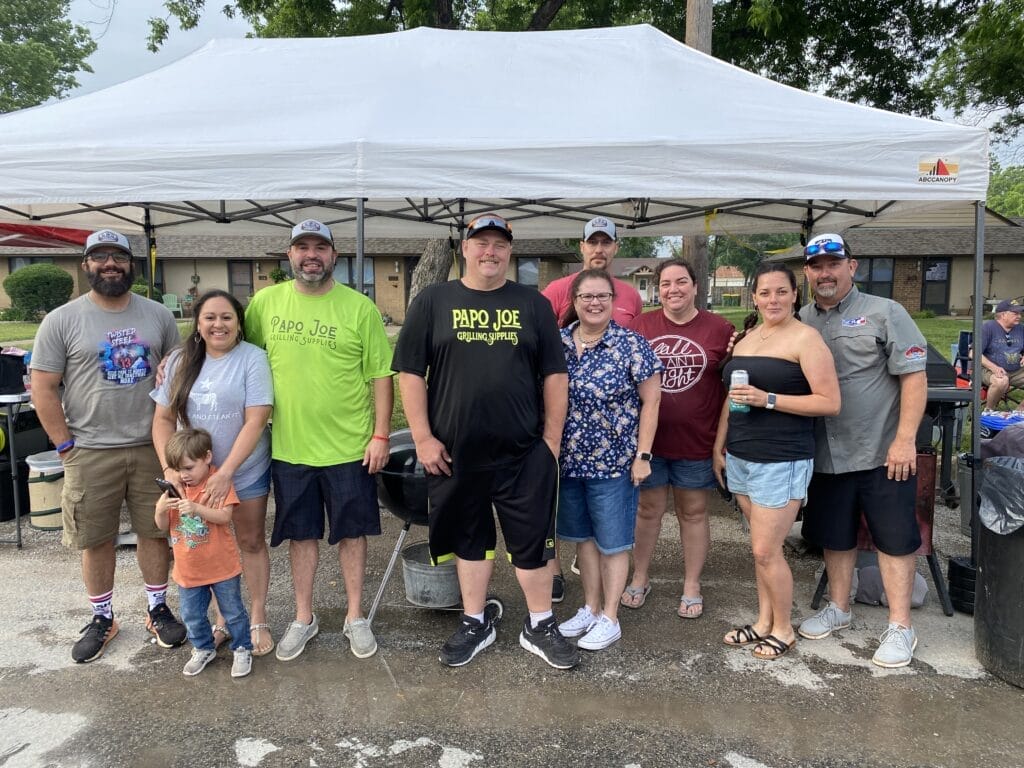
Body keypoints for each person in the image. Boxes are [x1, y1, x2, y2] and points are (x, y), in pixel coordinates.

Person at [393, 213, 579, 670]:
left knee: (532, 544)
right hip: (454, 455)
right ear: (465, 249)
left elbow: (555, 375)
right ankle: (476, 622)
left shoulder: (532, 303)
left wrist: (550, 441)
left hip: (523, 453)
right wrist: (423, 438)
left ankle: (540, 624)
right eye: (481, 243)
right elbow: (411, 373)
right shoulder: (434, 301)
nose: (490, 252)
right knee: (469, 542)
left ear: (509, 252)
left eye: (499, 244)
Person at [31, 228, 187, 663]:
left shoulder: (157, 316)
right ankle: (102, 617)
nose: (110, 264)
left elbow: (177, 376)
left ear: (131, 264)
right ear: (86, 265)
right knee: (94, 537)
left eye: (118, 256)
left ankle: (157, 609)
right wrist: (64, 445)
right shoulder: (62, 319)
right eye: (100, 257)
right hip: (89, 449)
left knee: (155, 533)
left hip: (150, 445)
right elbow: (43, 387)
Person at [245, 219, 393, 661]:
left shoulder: (359, 308)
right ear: (289, 255)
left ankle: (355, 616)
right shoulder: (264, 304)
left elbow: (381, 376)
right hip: (290, 446)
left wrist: (381, 434)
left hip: (350, 446)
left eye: (320, 247)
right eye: (302, 247)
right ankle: (303, 618)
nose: (311, 255)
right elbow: (238, 355)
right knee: (301, 535)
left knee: (352, 534)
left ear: (334, 255)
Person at [797, 232, 929, 668]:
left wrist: (905, 439)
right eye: (816, 266)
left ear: (851, 267)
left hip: (882, 451)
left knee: (894, 539)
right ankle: (839, 607)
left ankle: (900, 626)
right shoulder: (801, 319)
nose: (825, 272)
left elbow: (913, 376)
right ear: (808, 272)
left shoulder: (885, 311)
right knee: (835, 535)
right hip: (826, 452)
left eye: (833, 263)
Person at [714, 263, 841, 660]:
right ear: (754, 297)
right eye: (765, 293)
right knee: (759, 548)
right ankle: (763, 621)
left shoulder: (806, 339)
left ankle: (784, 630)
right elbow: (731, 399)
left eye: (781, 292)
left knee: (767, 550)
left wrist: (769, 399)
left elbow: (829, 402)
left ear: (794, 295)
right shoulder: (748, 338)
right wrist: (719, 446)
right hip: (741, 455)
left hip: (782, 459)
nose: (773, 300)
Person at [151, 289, 274, 656]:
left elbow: (257, 419)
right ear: (198, 323)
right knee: (208, 545)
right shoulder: (180, 362)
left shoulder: (252, 359)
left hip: (244, 470)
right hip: (194, 478)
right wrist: (170, 469)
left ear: (239, 323)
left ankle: (256, 617)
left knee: (250, 541)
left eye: (226, 317)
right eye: (210, 317)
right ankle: (224, 621)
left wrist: (227, 472)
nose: (218, 324)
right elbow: (162, 419)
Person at [621, 257, 734, 618]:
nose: (674, 290)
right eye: (666, 283)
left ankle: (691, 584)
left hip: (698, 439)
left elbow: (731, 386)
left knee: (694, 512)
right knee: (648, 510)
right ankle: (639, 576)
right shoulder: (640, 326)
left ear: (696, 286)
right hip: (649, 444)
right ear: (658, 289)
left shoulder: (720, 329)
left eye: (681, 282)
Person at [555, 269, 661, 650]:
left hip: (614, 463)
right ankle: (590, 607)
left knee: (613, 542)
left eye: (602, 296)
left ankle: (610, 617)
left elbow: (652, 401)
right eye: (586, 297)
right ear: (575, 301)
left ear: (613, 301)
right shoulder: (559, 342)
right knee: (583, 540)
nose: (594, 303)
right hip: (568, 463)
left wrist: (643, 455)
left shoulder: (631, 345)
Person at [542, 215, 643, 599]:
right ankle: (554, 572)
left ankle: (604, 606)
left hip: (614, 448)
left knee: (609, 533)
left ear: (616, 247)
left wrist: (642, 449)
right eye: (592, 242)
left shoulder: (631, 295)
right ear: (581, 247)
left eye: (606, 242)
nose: (599, 249)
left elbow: (642, 377)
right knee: (565, 519)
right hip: (564, 442)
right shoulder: (556, 289)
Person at [155, 428, 252, 678]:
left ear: (207, 457)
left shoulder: (218, 482)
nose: (183, 475)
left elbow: (225, 516)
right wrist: (161, 509)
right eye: (178, 469)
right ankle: (202, 647)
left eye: (189, 468)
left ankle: (242, 647)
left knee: (233, 611)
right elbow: (161, 526)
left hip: (221, 565)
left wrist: (197, 508)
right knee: (191, 614)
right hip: (188, 568)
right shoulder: (174, 489)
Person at [978, 298, 1024, 411]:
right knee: (1001, 381)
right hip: (988, 370)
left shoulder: (1021, 328)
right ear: (1003, 315)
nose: (1019, 316)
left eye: (1020, 313)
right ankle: (989, 411)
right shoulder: (987, 328)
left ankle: (1019, 412)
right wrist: (994, 368)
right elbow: (973, 353)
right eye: (1015, 313)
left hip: (1016, 371)